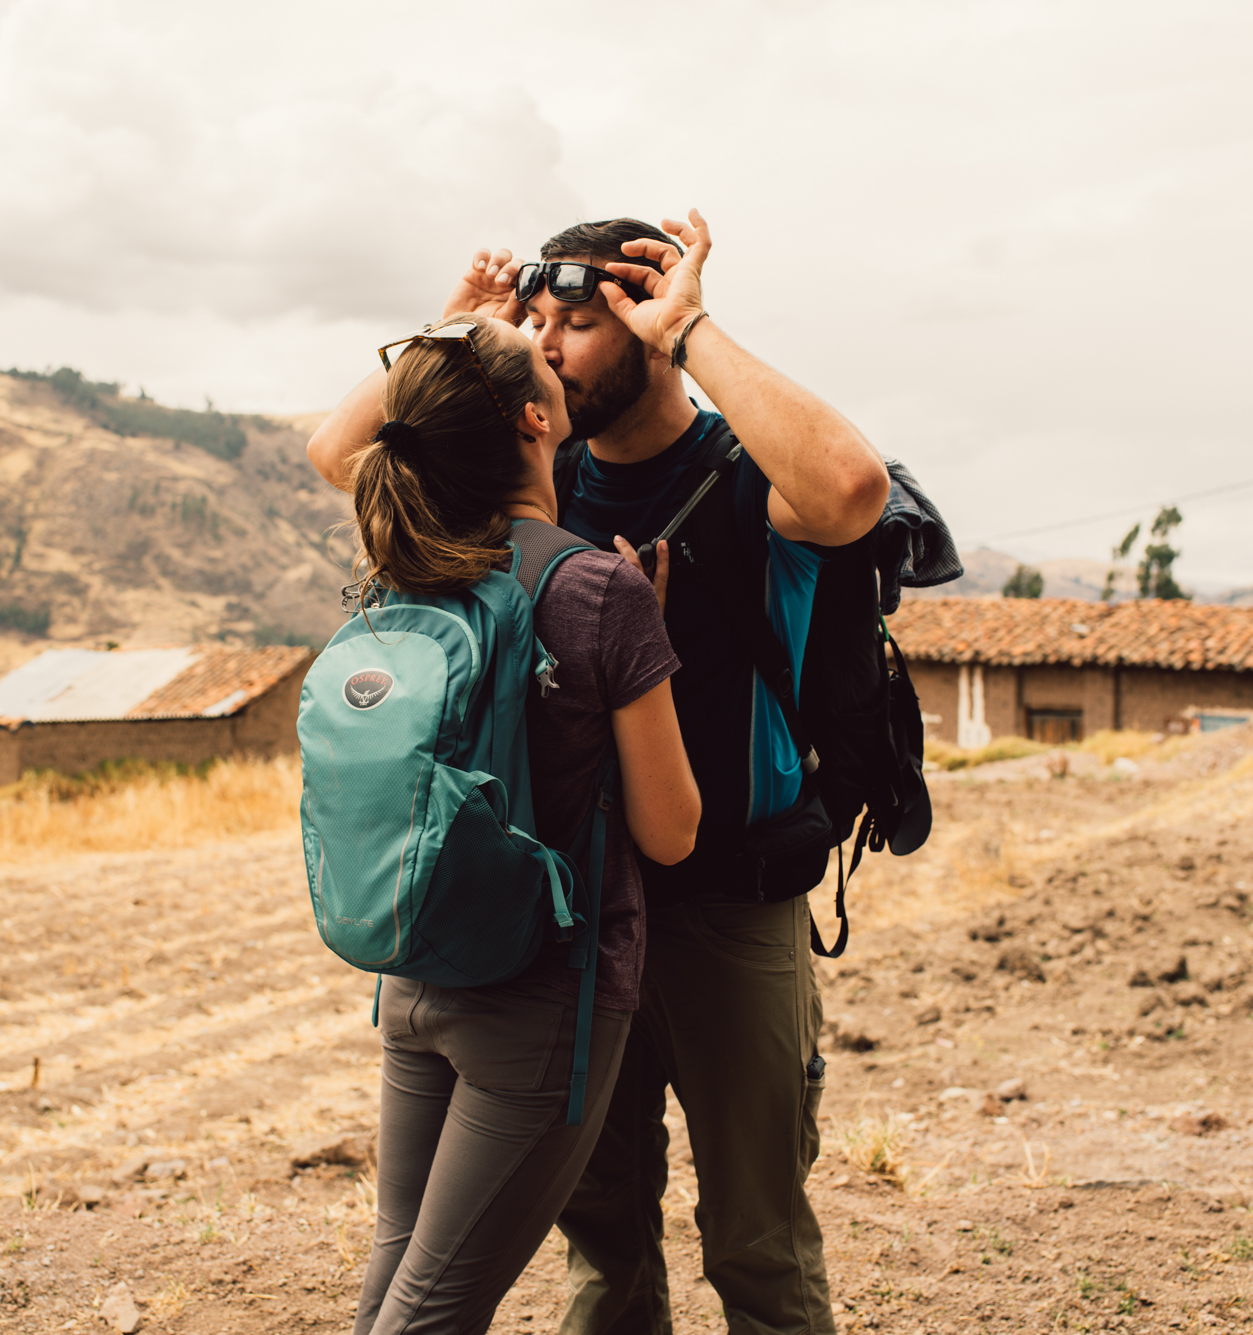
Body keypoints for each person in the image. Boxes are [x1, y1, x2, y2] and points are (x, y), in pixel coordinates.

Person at [309, 212, 892, 1335]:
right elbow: (348, 457)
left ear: (641, 330)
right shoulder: (535, 474)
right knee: (602, 1248)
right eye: (541, 326)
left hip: (728, 909)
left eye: (580, 321)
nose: (553, 343)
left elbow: (849, 490)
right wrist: (458, 331)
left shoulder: (739, 473)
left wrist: (691, 328)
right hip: (573, 926)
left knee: (757, 1250)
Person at [317, 308, 702, 1335]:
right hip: (537, 1008)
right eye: (543, 357)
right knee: (434, 1311)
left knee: (396, 1278)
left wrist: (452, 319)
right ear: (536, 419)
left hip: (413, 977)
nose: (558, 353)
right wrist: (644, 643)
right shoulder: (596, 588)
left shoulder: (405, 559)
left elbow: (344, 444)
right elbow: (670, 832)